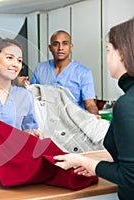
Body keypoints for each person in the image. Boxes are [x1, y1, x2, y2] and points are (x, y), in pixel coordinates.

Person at [53, 18, 134, 199]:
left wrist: (82, 161)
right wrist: (93, 164)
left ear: (123, 54)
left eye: (108, 50)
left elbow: (130, 177)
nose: (107, 58)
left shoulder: (127, 104)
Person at [29, 30, 99, 115]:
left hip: (73, 123)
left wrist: (95, 117)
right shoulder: (40, 68)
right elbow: (31, 97)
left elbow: (90, 104)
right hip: (46, 122)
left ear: (71, 47)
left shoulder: (83, 73)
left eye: (65, 43)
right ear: (50, 48)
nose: (60, 48)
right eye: (56, 44)